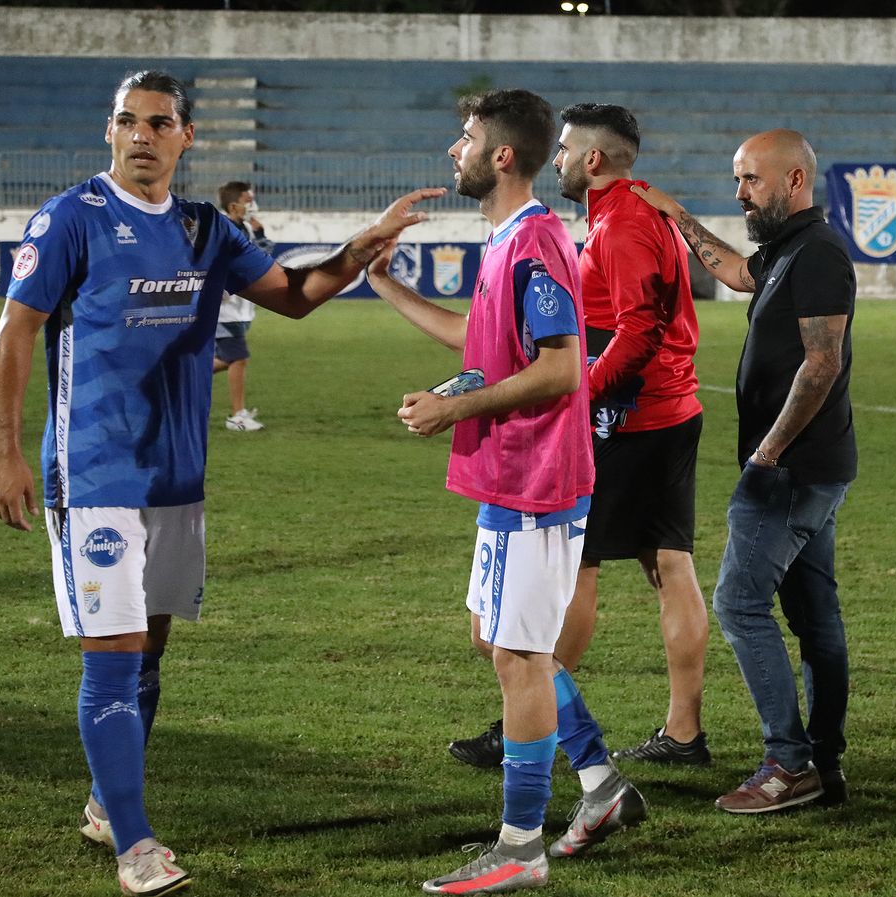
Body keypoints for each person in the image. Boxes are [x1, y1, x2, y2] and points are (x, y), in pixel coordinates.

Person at [0, 70, 441, 896]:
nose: (142, 136)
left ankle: (106, 800)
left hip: (176, 476)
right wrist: (5, 452)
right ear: (109, 130)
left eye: (159, 123)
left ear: (185, 137)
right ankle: (136, 845)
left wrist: (361, 248)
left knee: (148, 650)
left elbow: (293, 295)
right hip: (92, 472)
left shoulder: (204, 229)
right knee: (113, 657)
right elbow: (15, 332)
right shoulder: (69, 219)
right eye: (128, 121)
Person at [365, 88, 645, 895]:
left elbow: (561, 368)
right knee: (497, 639)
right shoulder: (505, 240)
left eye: (465, 138)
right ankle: (600, 782)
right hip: (509, 480)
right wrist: (384, 284)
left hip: (538, 483)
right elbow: (479, 339)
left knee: (520, 656)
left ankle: (521, 846)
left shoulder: (536, 242)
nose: (453, 150)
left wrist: (454, 407)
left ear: (502, 156)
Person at [445, 102, 712, 771]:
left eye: (565, 150)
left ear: (593, 159)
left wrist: (582, 391)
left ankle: (527, 714)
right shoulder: (638, 213)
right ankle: (683, 732)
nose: (557, 159)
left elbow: (637, 327)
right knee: (669, 564)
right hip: (670, 409)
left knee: (578, 567)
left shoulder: (621, 222)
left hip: (628, 417)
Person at [631, 128, 856, 814]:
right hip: (810, 467)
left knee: (738, 602)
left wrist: (767, 454)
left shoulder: (818, 254)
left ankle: (790, 764)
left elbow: (821, 365)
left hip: (788, 471)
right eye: (737, 180)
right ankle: (823, 759)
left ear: (794, 180)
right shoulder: (788, 249)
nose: (740, 193)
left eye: (751, 179)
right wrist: (678, 217)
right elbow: (734, 271)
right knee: (814, 616)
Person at [213, 180, 273, 432]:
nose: (253, 205)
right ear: (233, 206)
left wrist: (260, 235)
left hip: (240, 307)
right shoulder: (220, 230)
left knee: (226, 358)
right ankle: (237, 416)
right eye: (248, 201)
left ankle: (174, 377)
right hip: (224, 308)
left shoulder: (245, 228)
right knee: (238, 358)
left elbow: (260, 260)